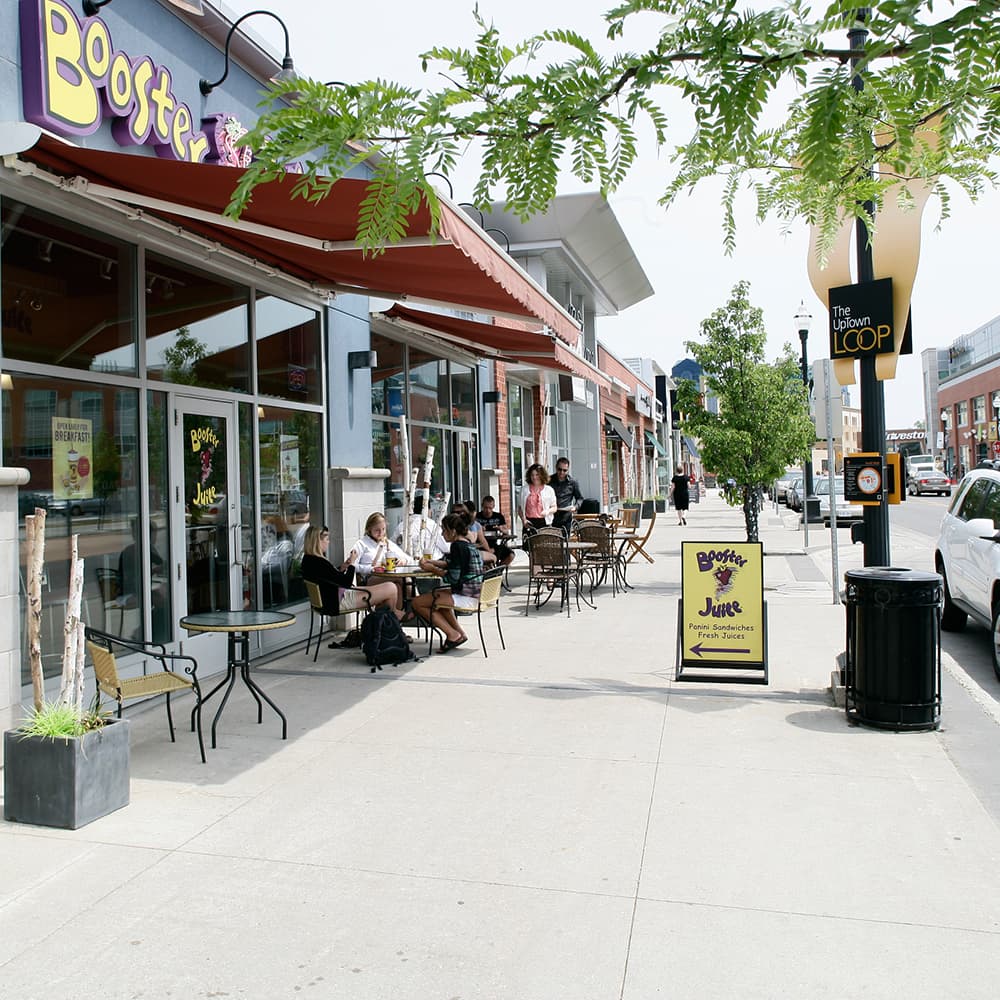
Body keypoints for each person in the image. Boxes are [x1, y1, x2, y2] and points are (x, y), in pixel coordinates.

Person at [411, 513, 484, 652]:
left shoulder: (457, 546)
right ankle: (459, 634)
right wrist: (432, 562)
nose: (442, 534)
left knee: (417, 603)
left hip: (466, 597)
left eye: (444, 530)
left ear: (453, 531)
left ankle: (452, 634)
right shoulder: (468, 545)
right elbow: (451, 564)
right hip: (475, 593)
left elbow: (452, 578)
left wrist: (432, 569)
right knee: (438, 595)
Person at [301, 525, 404, 620]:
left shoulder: (308, 561)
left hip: (332, 599)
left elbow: (329, 578)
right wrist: (352, 564)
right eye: (327, 539)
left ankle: (386, 625)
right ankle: (393, 621)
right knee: (391, 588)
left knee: (389, 591)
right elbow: (346, 583)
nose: (328, 542)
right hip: (338, 601)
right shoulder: (320, 562)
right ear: (318, 541)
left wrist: (342, 568)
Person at [476, 495, 514, 568]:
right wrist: (479, 529)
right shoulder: (477, 517)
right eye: (485, 508)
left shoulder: (498, 516)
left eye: (490, 508)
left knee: (511, 555)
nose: (488, 510)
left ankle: (498, 570)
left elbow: (506, 531)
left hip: (494, 545)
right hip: (480, 545)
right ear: (482, 506)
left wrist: (501, 529)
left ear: (493, 506)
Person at [519, 463, 558, 534]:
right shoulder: (524, 490)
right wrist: (523, 520)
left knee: (543, 545)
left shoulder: (549, 490)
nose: (534, 477)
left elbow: (554, 507)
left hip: (544, 522)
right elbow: (520, 508)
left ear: (542, 475)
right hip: (529, 523)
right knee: (528, 544)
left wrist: (547, 511)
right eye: (532, 475)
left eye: (537, 475)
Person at [456, 501, 497, 566]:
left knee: (493, 557)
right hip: (469, 552)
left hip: (471, 550)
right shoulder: (461, 525)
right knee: (493, 557)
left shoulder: (475, 525)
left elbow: (482, 541)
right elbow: (473, 541)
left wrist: (487, 549)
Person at [550, 458, 583, 534]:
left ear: (568, 470)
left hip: (566, 516)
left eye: (564, 470)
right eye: (559, 469)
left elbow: (580, 498)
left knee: (565, 542)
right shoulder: (549, 480)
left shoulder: (573, 482)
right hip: (552, 516)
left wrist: (575, 507)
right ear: (556, 468)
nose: (562, 472)